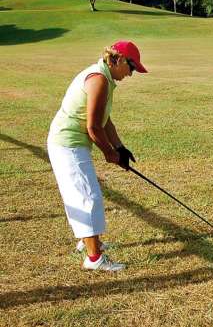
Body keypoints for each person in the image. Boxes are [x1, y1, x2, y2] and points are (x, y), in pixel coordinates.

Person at [47, 41, 148, 271]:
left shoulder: (104, 78)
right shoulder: (99, 80)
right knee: (86, 196)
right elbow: (93, 127)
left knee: (82, 192)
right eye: (131, 68)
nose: (131, 74)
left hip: (70, 143)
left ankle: (90, 241)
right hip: (68, 143)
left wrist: (120, 148)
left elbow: (105, 119)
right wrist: (110, 154)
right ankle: (94, 258)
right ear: (120, 60)